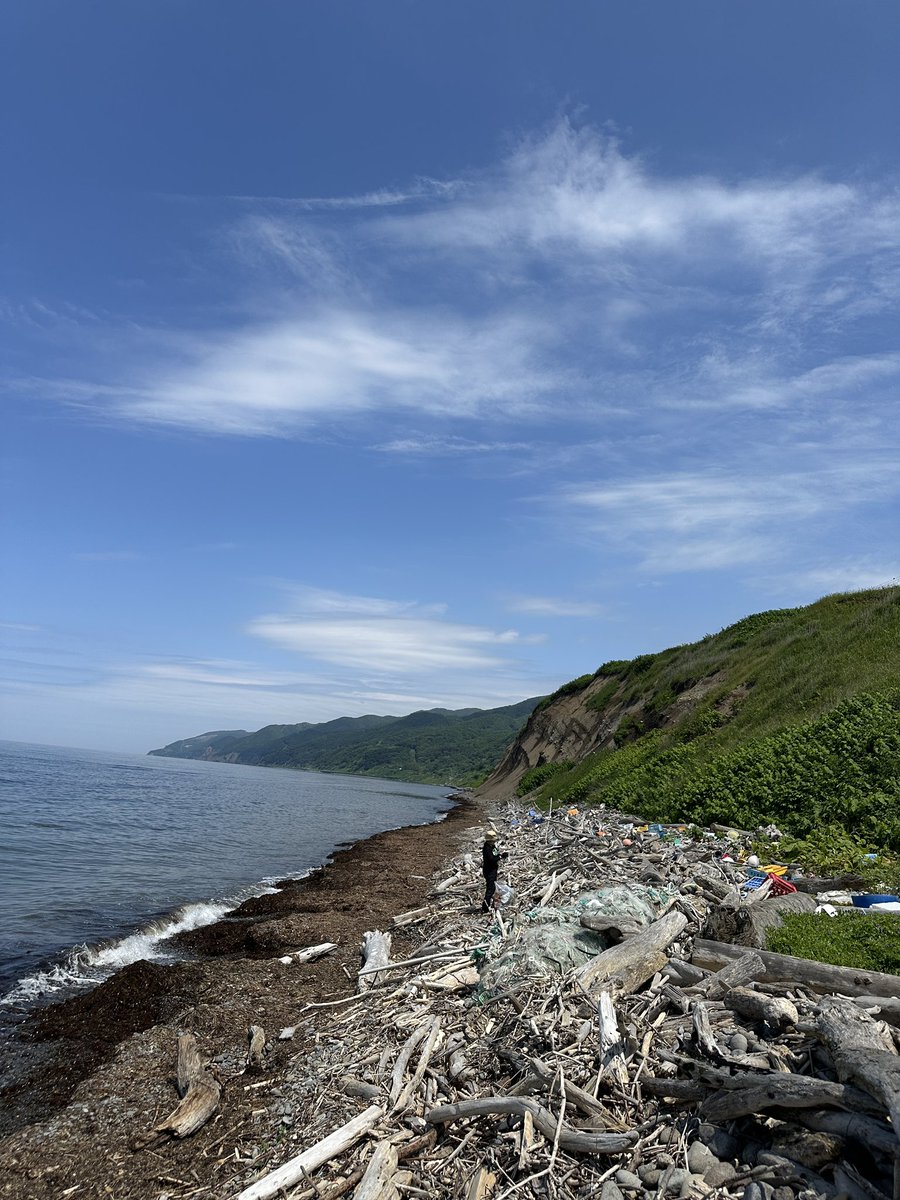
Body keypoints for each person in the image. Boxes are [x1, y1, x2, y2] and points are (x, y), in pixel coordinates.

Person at [481, 828, 504, 912]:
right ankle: (485, 908)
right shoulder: (487, 848)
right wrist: (500, 857)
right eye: (493, 840)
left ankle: (491, 904)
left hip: (493, 870)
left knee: (493, 888)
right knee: (490, 889)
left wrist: (501, 855)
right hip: (489, 870)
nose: (494, 842)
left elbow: (496, 854)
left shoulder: (492, 846)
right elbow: (491, 859)